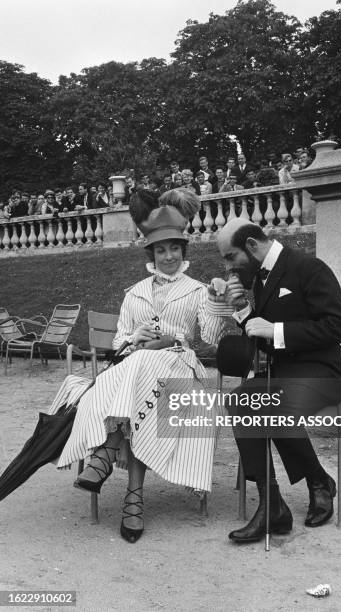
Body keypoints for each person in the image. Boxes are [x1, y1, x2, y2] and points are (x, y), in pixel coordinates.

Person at [47, 189, 232, 543]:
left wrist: (215, 302)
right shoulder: (135, 293)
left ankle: (106, 451)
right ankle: (134, 497)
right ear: (151, 253)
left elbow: (209, 336)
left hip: (179, 368)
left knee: (145, 363)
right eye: (161, 250)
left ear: (183, 251)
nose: (168, 256)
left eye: (174, 249)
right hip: (137, 376)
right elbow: (119, 343)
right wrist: (136, 336)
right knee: (141, 364)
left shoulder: (197, 290)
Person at [212, 218, 341, 543]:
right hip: (284, 376)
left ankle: (318, 481)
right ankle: (272, 503)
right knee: (240, 399)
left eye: (231, 258)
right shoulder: (260, 282)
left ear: (251, 246)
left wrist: (276, 330)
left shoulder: (309, 268)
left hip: (323, 372)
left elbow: (339, 326)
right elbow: (263, 341)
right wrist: (243, 311)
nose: (229, 269)